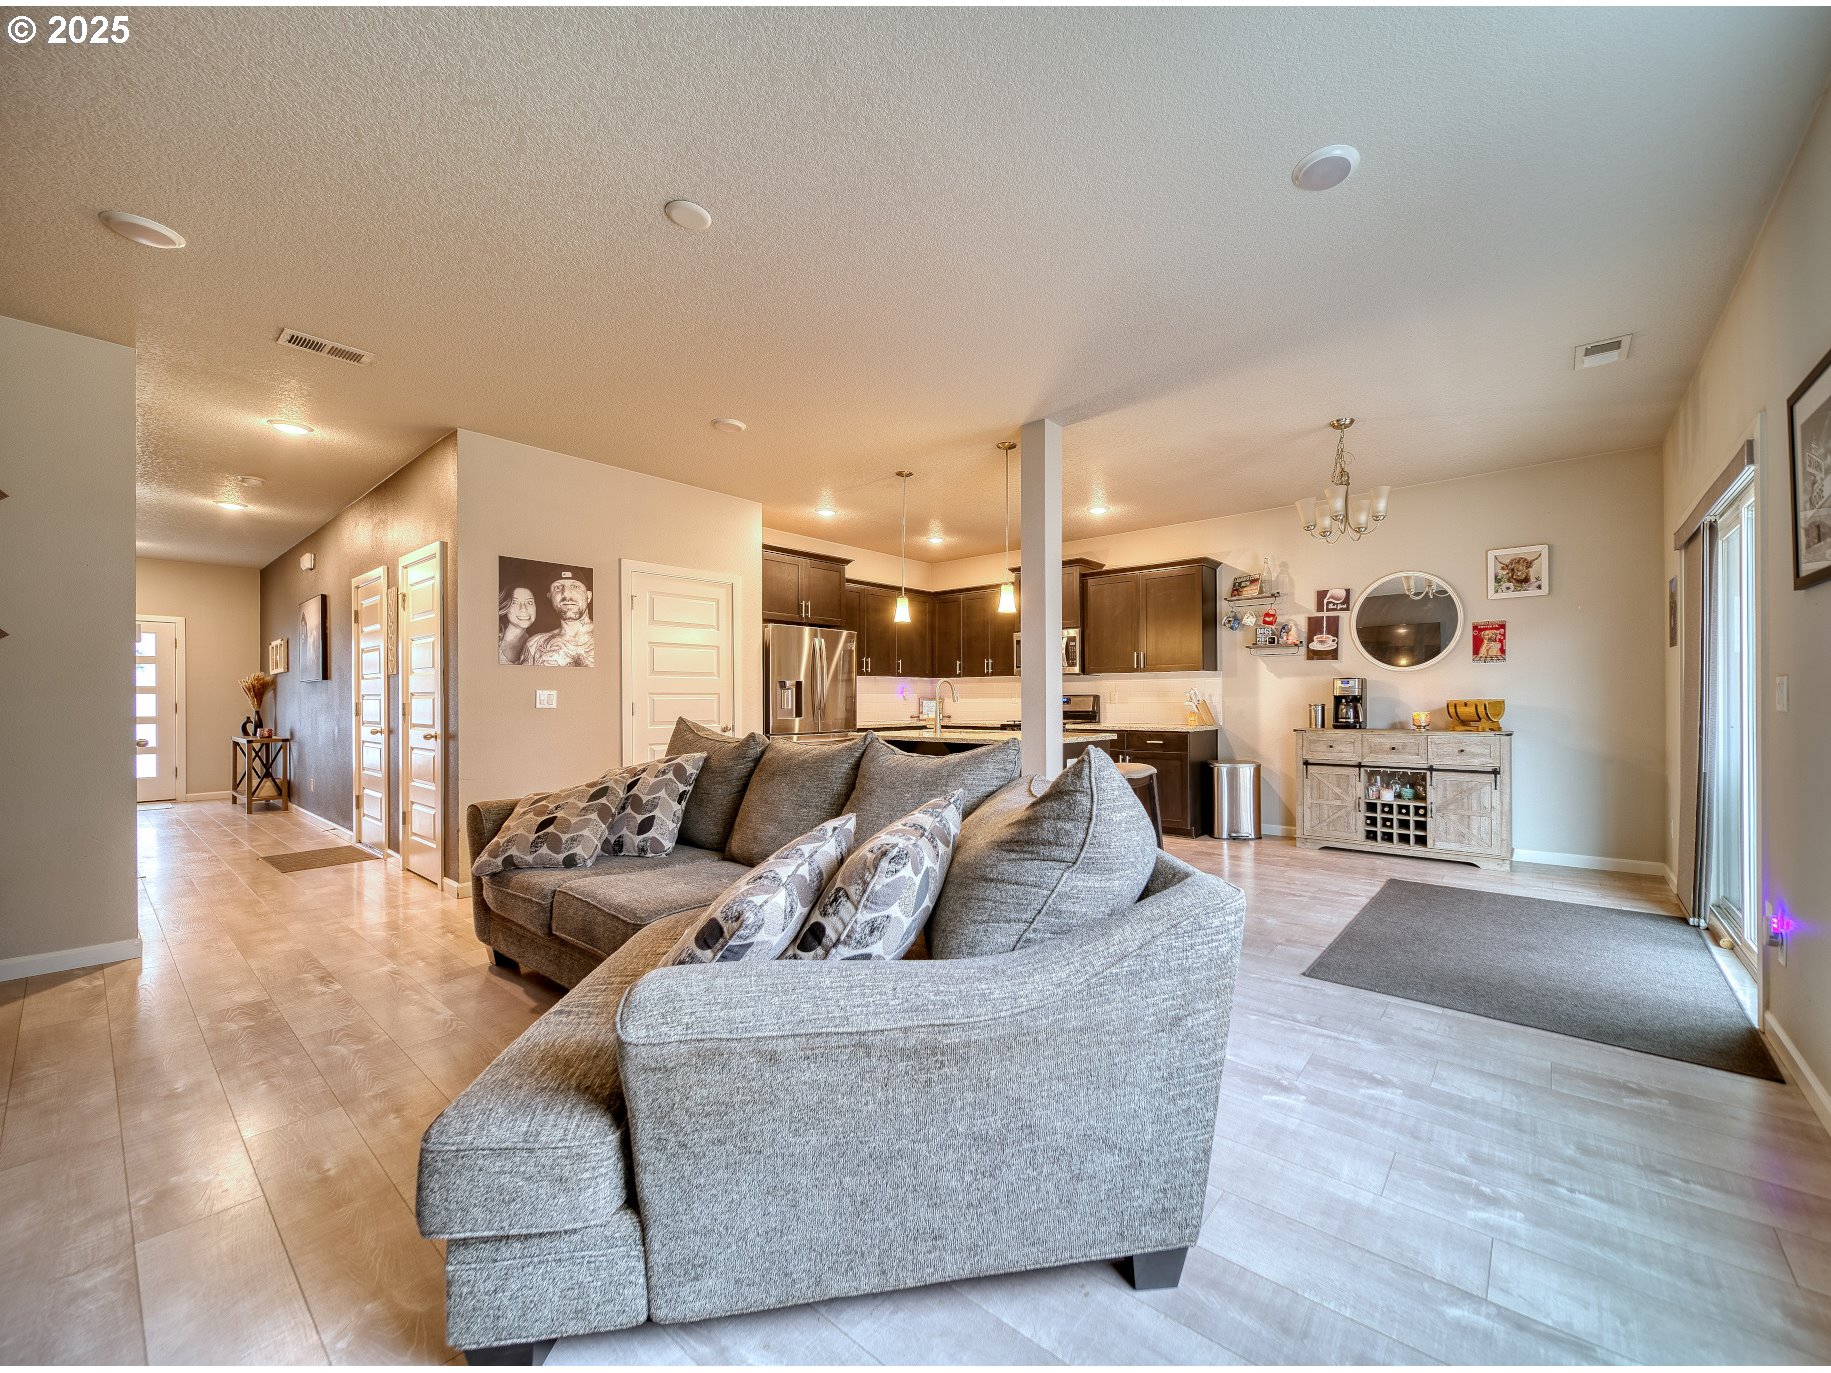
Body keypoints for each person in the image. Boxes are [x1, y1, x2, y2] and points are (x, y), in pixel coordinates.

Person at [521, 572, 594, 666]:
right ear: (550, 597)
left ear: (588, 596)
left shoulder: (608, 637)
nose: (566, 593)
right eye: (557, 587)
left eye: (575, 587)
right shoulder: (535, 645)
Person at [498, 585, 537, 664]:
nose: (523, 608)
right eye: (514, 602)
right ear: (505, 605)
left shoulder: (537, 645)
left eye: (529, 602)